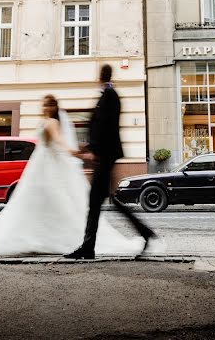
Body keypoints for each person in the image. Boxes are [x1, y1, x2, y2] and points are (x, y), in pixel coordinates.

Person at [0, 94, 142, 258]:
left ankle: (43, 237)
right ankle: (35, 236)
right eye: (44, 104)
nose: (46, 107)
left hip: (47, 167)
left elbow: (58, 141)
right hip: (39, 165)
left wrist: (73, 151)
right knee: (32, 202)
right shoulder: (46, 121)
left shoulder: (51, 123)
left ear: (54, 107)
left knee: (47, 202)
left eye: (49, 105)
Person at [65, 64, 156, 260]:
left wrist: (93, 150)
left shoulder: (109, 96)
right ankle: (144, 233)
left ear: (101, 75)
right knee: (108, 202)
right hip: (105, 156)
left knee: (96, 202)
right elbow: (102, 126)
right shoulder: (108, 95)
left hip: (104, 157)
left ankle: (88, 248)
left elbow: (105, 127)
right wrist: (89, 147)